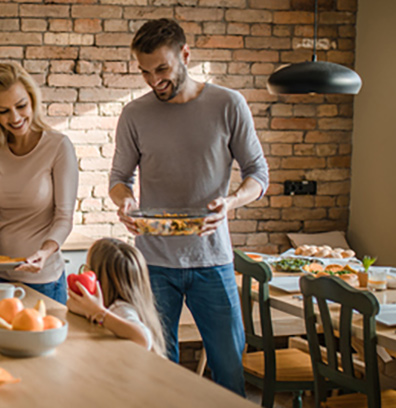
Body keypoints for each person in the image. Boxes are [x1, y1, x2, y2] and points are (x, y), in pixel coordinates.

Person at [108, 19, 269, 396]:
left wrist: (231, 202)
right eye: (145, 72)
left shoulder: (229, 104)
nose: (153, 80)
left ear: (185, 54)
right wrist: (125, 202)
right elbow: (119, 178)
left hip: (212, 261)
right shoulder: (135, 114)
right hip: (154, 263)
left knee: (228, 370)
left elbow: (257, 174)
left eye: (162, 69)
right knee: (158, 369)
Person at [0, 62, 79, 305]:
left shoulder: (58, 146)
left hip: (41, 277)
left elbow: (63, 217)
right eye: (3, 111)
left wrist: (44, 253)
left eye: (21, 106)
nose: (14, 118)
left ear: (32, 100)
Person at [66, 238, 166, 356]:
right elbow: (71, 305)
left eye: (88, 269)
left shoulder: (120, 308)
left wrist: (99, 312)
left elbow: (143, 338)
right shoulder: (106, 305)